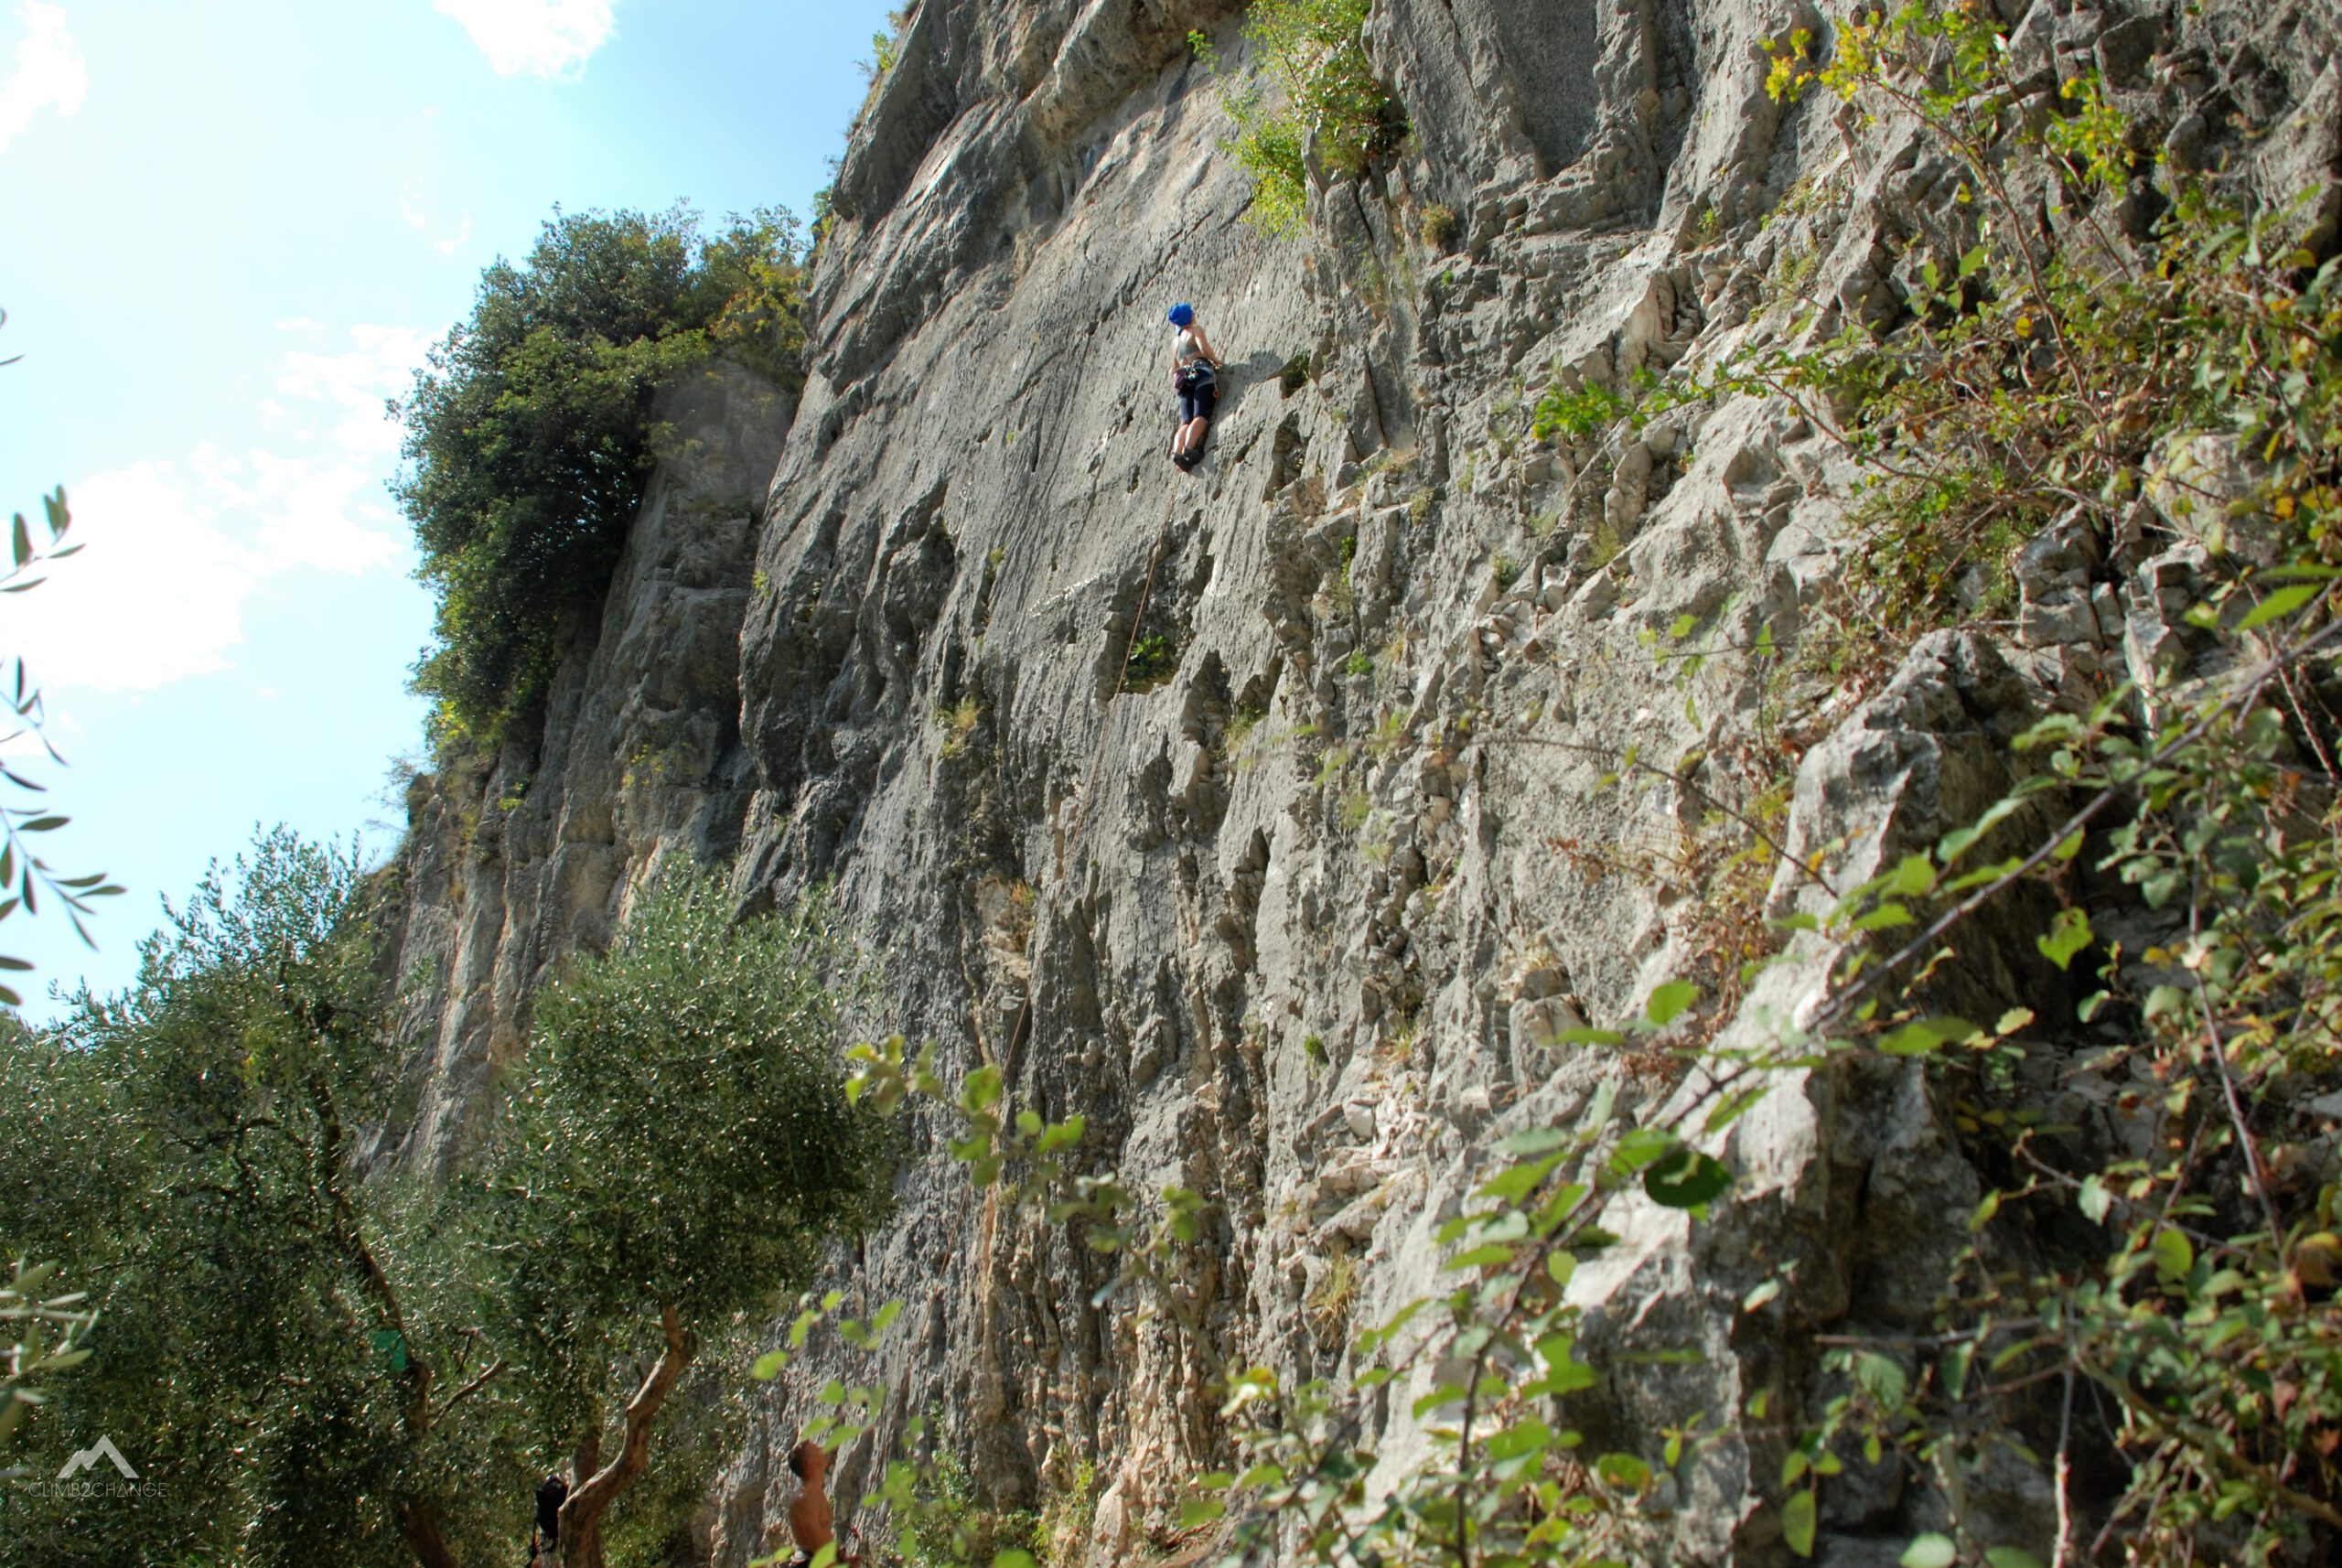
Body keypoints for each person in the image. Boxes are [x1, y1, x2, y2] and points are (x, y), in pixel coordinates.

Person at [785, 1439, 861, 1566]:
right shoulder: (804, 1500)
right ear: (810, 1464)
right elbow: (817, 1546)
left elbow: (824, 1535)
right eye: (816, 1450)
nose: (822, 1450)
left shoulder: (815, 1493)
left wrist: (842, 1560)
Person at [1166, 302, 1220, 470]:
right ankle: (1189, 448)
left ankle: (1177, 453)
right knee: (1201, 416)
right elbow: (1204, 349)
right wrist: (1217, 361)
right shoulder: (1196, 330)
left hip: (1183, 381)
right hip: (1201, 374)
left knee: (1186, 421)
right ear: (1190, 316)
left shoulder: (1174, 343)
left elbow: (1174, 369)